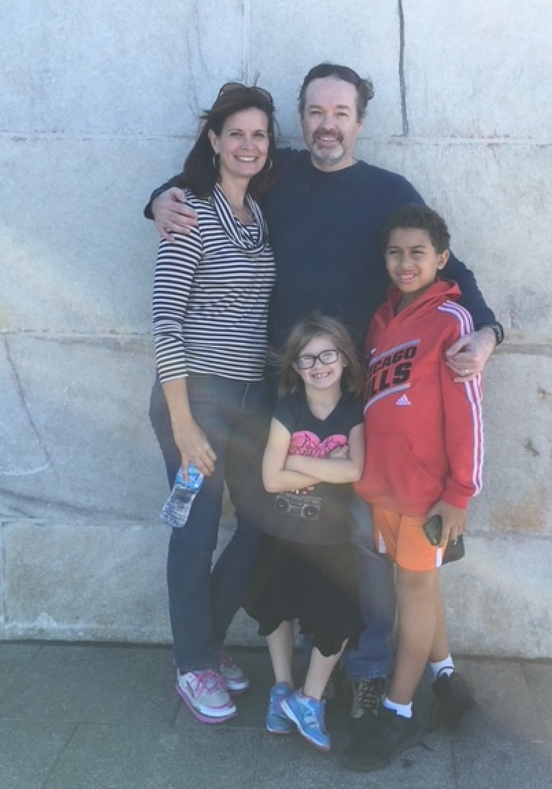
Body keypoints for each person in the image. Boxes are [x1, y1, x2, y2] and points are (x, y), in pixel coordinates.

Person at [146, 63, 503, 726]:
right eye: (315, 111)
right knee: (243, 526)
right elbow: (213, 174)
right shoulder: (276, 174)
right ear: (302, 118)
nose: (327, 124)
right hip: (272, 392)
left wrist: (487, 333)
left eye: (340, 112)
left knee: (355, 535)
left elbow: (447, 265)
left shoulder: (388, 191)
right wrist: (157, 197)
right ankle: (212, 656)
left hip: (355, 402)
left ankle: (362, 664)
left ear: (359, 122)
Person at [149, 82, 277, 725]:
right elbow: (165, 323)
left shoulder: (259, 214)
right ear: (214, 141)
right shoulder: (190, 212)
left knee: (260, 523)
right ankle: (192, 664)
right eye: (236, 134)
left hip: (251, 400)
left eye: (259, 134)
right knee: (194, 533)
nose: (248, 145)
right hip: (193, 397)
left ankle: (208, 637)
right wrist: (181, 420)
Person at [339, 204, 484, 771]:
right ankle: (445, 677)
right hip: (384, 491)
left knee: (412, 594)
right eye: (395, 252)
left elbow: (468, 414)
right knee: (420, 590)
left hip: (429, 494)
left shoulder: (451, 321)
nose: (405, 262)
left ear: (440, 259)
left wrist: (460, 494)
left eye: (417, 253)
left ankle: (398, 711)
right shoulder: (379, 322)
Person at [244, 313, 365, 752]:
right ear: (294, 366)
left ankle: (309, 698)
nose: (318, 365)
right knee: (275, 608)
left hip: (331, 538)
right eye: (306, 358)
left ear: (345, 359)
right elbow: (270, 481)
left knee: (339, 615)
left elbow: (356, 468)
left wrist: (293, 462)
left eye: (327, 354)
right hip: (282, 530)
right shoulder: (288, 408)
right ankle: (281, 687)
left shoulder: (354, 410)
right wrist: (325, 470)